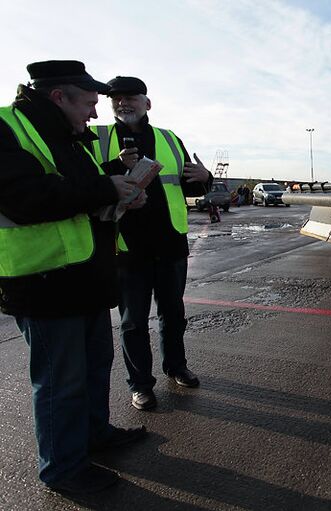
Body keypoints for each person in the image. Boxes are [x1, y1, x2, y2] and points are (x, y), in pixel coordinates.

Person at [0, 61, 147, 494]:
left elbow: (80, 190)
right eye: (88, 102)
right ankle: (63, 470)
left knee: (94, 367)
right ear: (58, 97)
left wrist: (119, 190)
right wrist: (106, 190)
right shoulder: (6, 129)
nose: (95, 113)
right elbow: (26, 199)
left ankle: (94, 435)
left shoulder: (71, 137)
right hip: (43, 279)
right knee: (60, 382)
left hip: (85, 276)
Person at [90, 76, 212, 411]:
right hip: (127, 247)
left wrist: (206, 179)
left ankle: (176, 366)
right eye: (116, 99)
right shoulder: (97, 138)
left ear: (147, 103)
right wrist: (118, 166)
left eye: (130, 97)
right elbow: (83, 183)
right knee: (133, 321)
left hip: (171, 242)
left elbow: (189, 186)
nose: (123, 103)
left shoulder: (170, 139)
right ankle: (140, 385)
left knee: (173, 313)